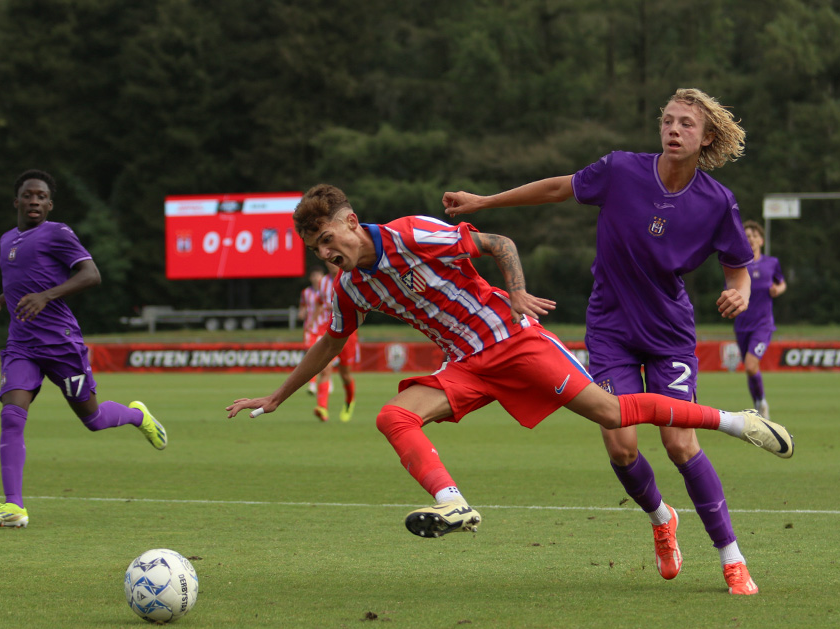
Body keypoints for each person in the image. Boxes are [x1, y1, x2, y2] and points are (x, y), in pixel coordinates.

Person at [227, 183, 793, 596]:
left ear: (351, 222)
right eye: (316, 249)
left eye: (328, 239)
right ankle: (453, 505)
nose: (326, 254)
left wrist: (517, 295)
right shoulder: (351, 287)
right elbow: (330, 343)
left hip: (513, 340)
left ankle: (736, 422)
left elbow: (499, 242)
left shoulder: (410, 233)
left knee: (612, 413)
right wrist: (277, 396)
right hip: (466, 365)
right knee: (394, 417)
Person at [441, 88, 780, 595]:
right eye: (667, 120)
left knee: (679, 442)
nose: (673, 129)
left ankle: (732, 559)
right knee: (621, 448)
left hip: (668, 334)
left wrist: (739, 292)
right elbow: (558, 189)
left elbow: (738, 269)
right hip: (610, 329)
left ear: (707, 137)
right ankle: (662, 518)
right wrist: (485, 202)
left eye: (686, 123)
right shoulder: (621, 169)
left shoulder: (717, 202)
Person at [0, 169, 167, 529]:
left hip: (61, 343)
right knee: (11, 415)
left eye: (41, 196)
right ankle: (14, 506)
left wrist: (46, 297)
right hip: (22, 345)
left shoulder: (58, 233)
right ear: (16, 201)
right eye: (28, 195)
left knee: (93, 419)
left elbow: (91, 274)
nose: (34, 200)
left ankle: (138, 416)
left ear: (49, 204)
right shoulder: (7, 240)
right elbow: (23, 282)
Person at [734, 220, 786, 418]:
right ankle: (758, 404)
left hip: (763, 324)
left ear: (761, 240)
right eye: (747, 236)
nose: (751, 239)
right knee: (750, 369)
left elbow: (781, 283)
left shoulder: (771, 263)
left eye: (754, 236)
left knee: (750, 365)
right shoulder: (737, 264)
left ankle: (762, 403)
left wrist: (777, 290)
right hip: (741, 324)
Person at [315, 261, 359, 422]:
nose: (330, 263)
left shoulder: (351, 277)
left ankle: (349, 401)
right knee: (324, 368)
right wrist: (314, 323)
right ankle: (322, 407)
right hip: (328, 330)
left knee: (345, 374)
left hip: (348, 332)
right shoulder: (323, 282)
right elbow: (320, 302)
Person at [298, 266, 328, 397]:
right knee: (311, 354)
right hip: (310, 328)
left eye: (319, 275)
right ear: (311, 278)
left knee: (323, 355)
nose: (316, 278)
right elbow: (303, 306)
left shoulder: (327, 290)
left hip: (323, 327)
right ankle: (312, 384)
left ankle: (326, 378)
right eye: (314, 276)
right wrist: (301, 314)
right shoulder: (306, 292)